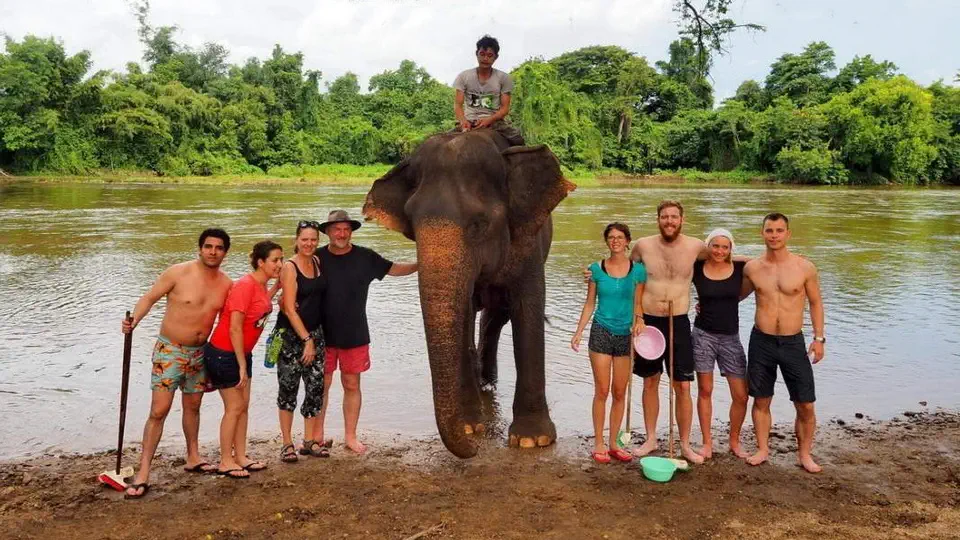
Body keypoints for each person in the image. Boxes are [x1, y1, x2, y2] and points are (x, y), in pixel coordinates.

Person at [121, 228, 233, 500]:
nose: (213, 251)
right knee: (159, 410)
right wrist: (133, 320)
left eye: (218, 248)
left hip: (199, 353)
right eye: (208, 246)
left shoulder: (227, 284)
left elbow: (239, 314)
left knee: (193, 406)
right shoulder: (178, 272)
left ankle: (193, 456)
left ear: (225, 253)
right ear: (199, 248)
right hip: (170, 350)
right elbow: (149, 297)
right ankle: (144, 472)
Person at [314, 210, 418, 454]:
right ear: (327, 232)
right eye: (336, 229)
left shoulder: (365, 257)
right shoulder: (316, 258)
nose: (341, 233)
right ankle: (316, 436)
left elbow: (393, 269)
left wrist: (422, 264)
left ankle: (350, 436)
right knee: (321, 386)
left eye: (345, 229)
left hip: (355, 333)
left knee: (351, 384)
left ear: (351, 231)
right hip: (320, 335)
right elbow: (294, 279)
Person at [741, 213, 826, 473]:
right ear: (762, 233)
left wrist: (819, 338)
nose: (774, 235)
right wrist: (706, 305)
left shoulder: (804, 267)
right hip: (761, 340)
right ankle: (763, 449)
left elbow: (815, 302)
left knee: (805, 402)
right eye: (769, 230)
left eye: (779, 230)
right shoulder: (752, 268)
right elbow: (735, 296)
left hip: (793, 342)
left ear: (788, 234)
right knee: (761, 399)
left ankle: (804, 454)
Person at [624, 200, 706, 464]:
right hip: (647, 323)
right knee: (650, 381)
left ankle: (684, 444)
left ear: (682, 219)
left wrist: (758, 261)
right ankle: (650, 438)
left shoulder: (696, 246)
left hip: (679, 320)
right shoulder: (643, 246)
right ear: (657, 219)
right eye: (664, 217)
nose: (669, 221)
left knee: (682, 385)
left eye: (674, 217)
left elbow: (723, 258)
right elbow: (624, 272)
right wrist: (595, 274)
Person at [204, 240, 283, 478]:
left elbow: (259, 307)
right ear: (261, 262)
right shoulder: (245, 285)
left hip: (241, 354)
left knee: (243, 407)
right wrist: (241, 364)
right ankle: (225, 461)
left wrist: (277, 287)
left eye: (281, 259)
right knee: (234, 407)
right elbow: (235, 328)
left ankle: (240, 456)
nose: (280, 264)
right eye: (275, 260)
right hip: (224, 353)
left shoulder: (260, 286)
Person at [571, 223, 646, 464]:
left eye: (620, 237)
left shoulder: (638, 271)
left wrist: (640, 321)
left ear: (627, 242)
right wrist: (578, 331)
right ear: (607, 241)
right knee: (602, 390)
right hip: (601, 331)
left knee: (620, 391)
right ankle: (599, 443)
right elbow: (590, 303)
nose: (615, 241)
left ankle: (614, 442)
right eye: (611, 237)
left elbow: (638, 304)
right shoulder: (596, 269)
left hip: (625, 334)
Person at [267, 221, 328, 463]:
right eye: (305, 239)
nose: (309, 243)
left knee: (315, 389)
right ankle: (286, 443)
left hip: (316, 333)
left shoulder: (317, 262)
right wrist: (307, 340)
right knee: (288, 389)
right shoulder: (290, 267)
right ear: (296, 240)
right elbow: (290, 311)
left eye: (313, 239)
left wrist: (314, 338)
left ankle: (310, 441)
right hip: (290, 336)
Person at [692, 228, 750, 459]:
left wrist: (736, 257)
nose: (719, 250)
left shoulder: (740, 269)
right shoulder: (697, 268)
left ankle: (734, 441)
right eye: (715, 246)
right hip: (702, 335)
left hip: (730, 337)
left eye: (725, 247)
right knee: (705, 390)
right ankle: (707, 443)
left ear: (731, 249)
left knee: (741, 395)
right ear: (708, 247)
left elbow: (759, 262)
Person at [453, 34, 525, 146]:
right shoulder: (463, 76)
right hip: (468, 121)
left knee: (518, 140)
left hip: (495, 123)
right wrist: (463, 122)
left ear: (496, 57)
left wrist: (489, 120)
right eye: (482, 54)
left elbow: (505, 109)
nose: (485, 58)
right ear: (476, 54)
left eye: (490, 55)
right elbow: (458, 105)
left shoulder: (504, 78)